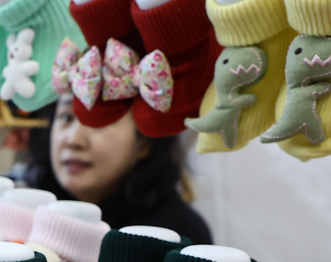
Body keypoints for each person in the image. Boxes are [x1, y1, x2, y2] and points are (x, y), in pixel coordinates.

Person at [24, 98, 212, 245]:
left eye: (99, 120)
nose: (74, 140)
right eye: (66, 117)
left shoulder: (177, 237)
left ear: (145, 141)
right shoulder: (28, 211)